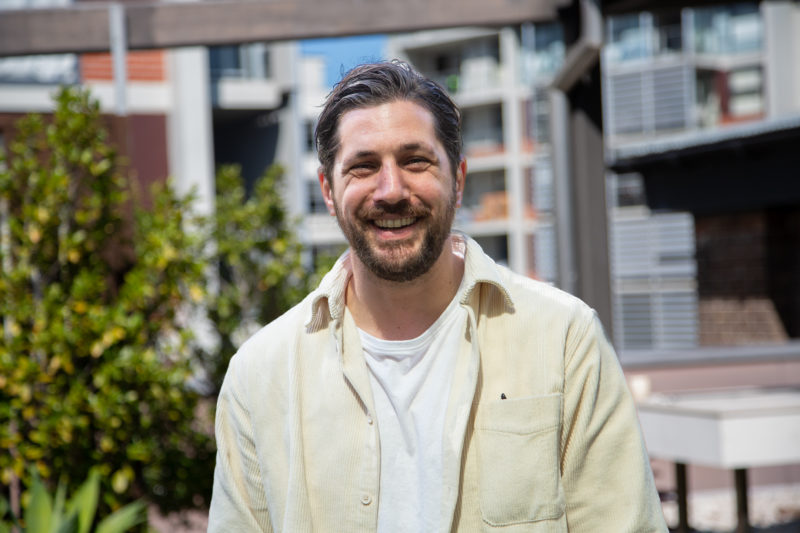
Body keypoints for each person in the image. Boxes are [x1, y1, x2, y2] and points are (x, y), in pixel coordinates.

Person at [208, 60, 667, 533]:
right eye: (364, 166)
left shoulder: (565, 340)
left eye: (415, 161)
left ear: (458, 180)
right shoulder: (258, 375)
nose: (391, 190)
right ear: (328, 190)